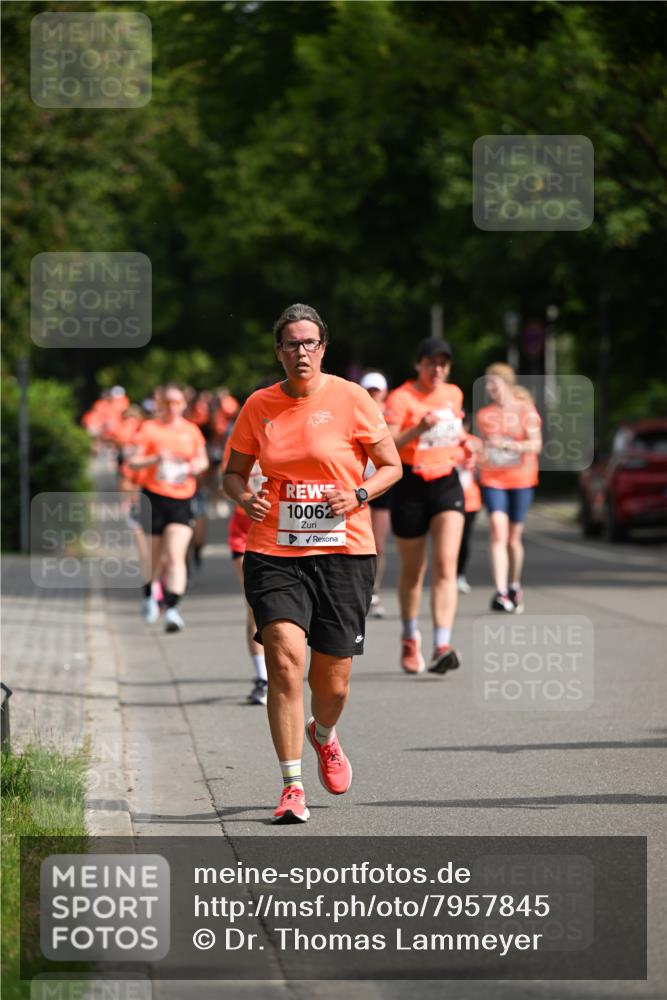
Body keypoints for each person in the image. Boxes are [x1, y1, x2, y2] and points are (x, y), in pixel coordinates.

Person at [223, 303, 402, 824]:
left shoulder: (353, 399)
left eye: (310, 343)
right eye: (291, 344)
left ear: (324, 348)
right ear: (278, 351)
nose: (301, 352)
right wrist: (243, 498)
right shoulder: (259, 406)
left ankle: (323, 735)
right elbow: (232, 474)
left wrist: (360, 492)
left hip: (344, 550)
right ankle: (292, 785)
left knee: (334, 681)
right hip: (274, 550)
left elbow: (392, 466)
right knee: (283, 660)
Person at [384, 336, 470, 676]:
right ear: (418, 364)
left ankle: (442, 644)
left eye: (443, 363)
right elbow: (388, 443)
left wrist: (468, 444)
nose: (438, 369)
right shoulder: (402, 397)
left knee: (446, 562)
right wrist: (419, 427)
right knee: (413, 569)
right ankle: (409, 636)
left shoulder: (453, 393)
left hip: (446, 481)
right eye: (432, 362)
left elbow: (457, 432)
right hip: (410, 483)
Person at [129, 384, 209, 631]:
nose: (172, 407)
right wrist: (155, 458)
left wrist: (196, 466)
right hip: (153, 498)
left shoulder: (191, 431)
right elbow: (132, 461)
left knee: (175, 555)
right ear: (160, 404)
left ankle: (172, 609)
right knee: (153, 560)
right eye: (167, 403)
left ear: (184, 404)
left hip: (182, 499)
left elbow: (203, 459)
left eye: (177, 403)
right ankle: (148, 594)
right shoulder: (149, 429)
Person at [475, 363, 542, 613]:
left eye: (494, 382)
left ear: (507, 384)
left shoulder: (526, 410)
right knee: (497, 532)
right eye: (487, 383)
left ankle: (514, 585)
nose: (490, 388)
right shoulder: (484, 415)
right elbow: (482, 450)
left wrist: (511, 447)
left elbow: (535, 445)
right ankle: (501, 591)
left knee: (513, 538)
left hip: (521, 479)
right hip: (494, 479)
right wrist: (477, 456)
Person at [359, 370, 392, 618]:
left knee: (377, 545)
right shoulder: (354, 411)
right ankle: (359, 592)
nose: (373, 394)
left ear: (384, 392)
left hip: (380, 485)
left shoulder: (392, 416)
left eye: (376, 391)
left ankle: (374, 591)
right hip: (356, 484)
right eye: (369, 390)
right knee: (359, 544)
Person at [456, 418, 482, 594]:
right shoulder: (444, 444)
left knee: (464, 540)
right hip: (446, 498)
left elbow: (483, 465)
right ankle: (448, 574)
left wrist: (476, 461)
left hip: (470, 500)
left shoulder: (474, 442)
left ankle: (460, 575)